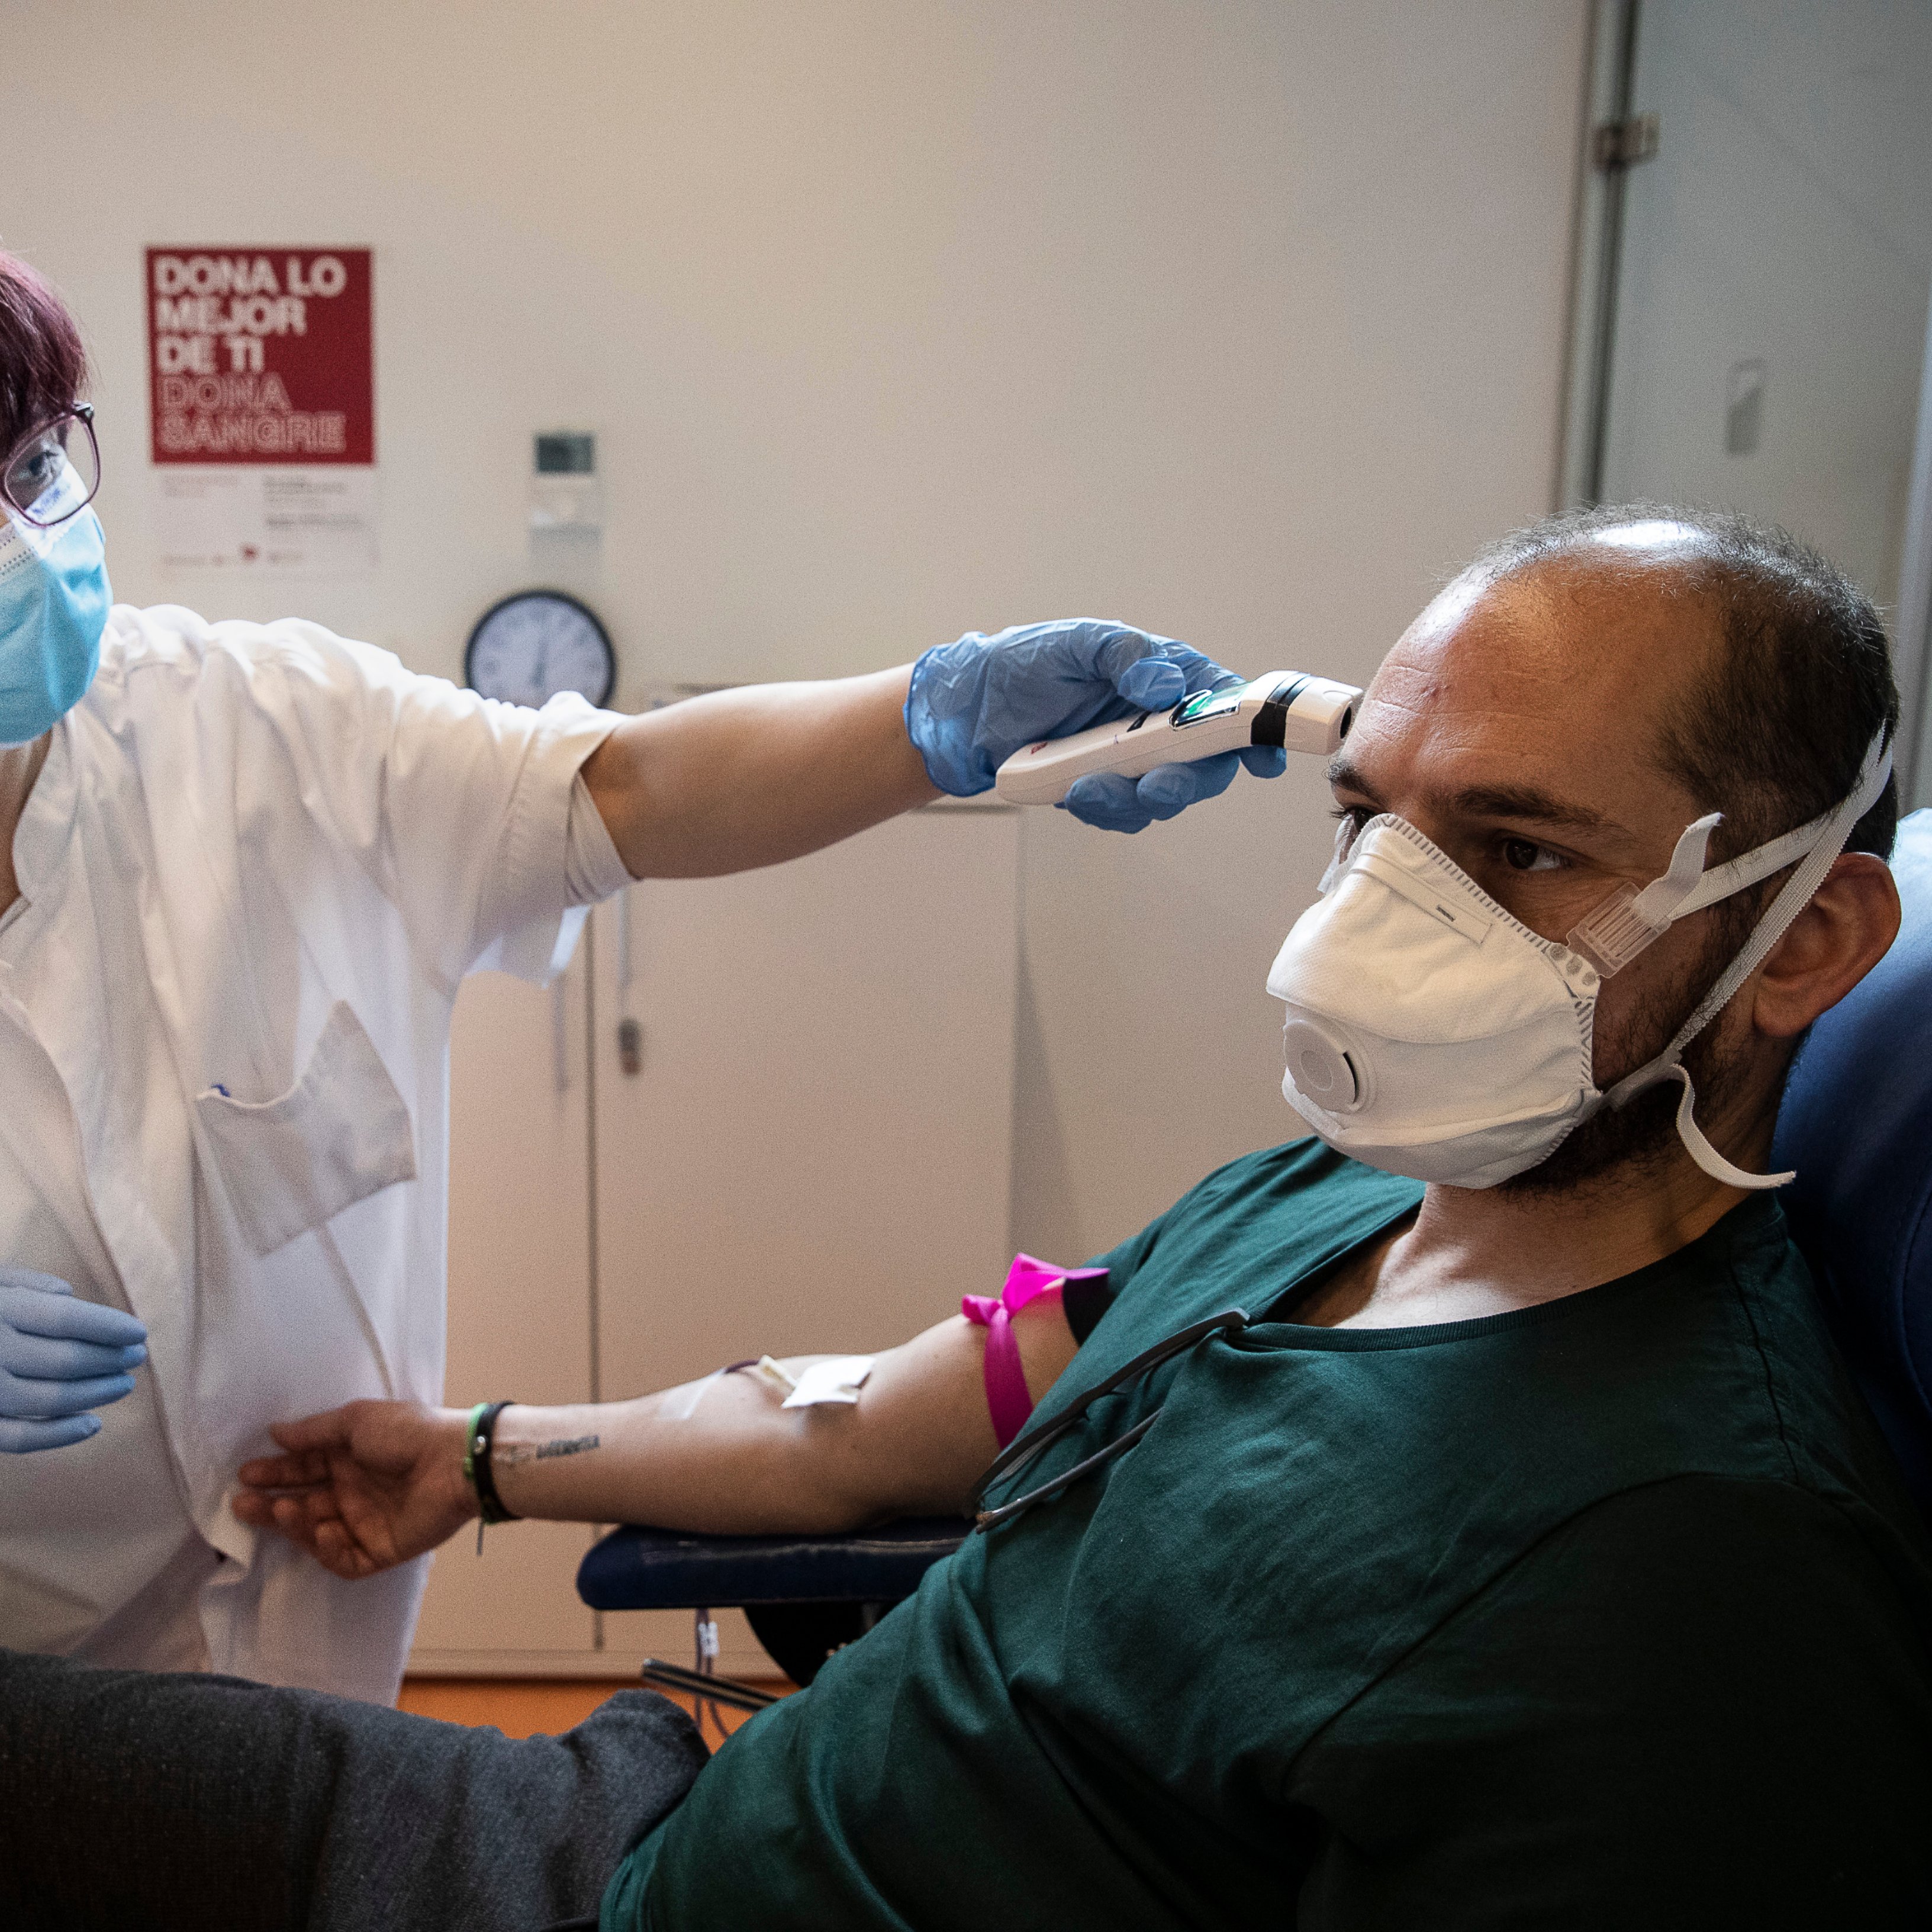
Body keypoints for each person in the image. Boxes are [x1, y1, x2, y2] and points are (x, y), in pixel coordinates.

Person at [6, 504, 1932, 1932]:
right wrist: (483, 1456)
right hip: (639, 1836)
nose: (1385, 918)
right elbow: (854, 1422)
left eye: (1510, 849)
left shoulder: (1685, 1561)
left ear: (1808, 938)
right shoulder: (1330, 1204)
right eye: (1370, 821)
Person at [0, 249, 1287, 1700]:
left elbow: (630, 789)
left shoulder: (247, 727)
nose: (23, 546)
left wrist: (942, 718)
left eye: (39, 464)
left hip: (303, 1634)